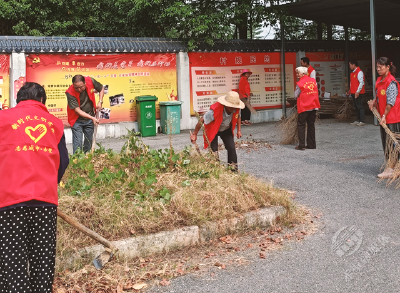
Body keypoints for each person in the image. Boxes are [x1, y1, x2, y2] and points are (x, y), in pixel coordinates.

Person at [0, 82, 69, 292]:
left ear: (18, 99)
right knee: (43, 261)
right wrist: (48, 182)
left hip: (9, 203)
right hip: (45, 202)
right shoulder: (54, 124)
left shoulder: (3, 119)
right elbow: (63, 161)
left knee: (13, 262)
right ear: (42, 101)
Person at [190, 91, 244, 171]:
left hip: (226, 129)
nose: (234, 108)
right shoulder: (214, 111)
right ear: (226, 105)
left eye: (235, 106)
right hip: (213, 130)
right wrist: (194, 133)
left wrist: (239, 130)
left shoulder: (236, 108)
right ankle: (216, 170)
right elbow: (202, 120)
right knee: (214, 150)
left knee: (231, 148)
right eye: (231, 106)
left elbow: (238, 117)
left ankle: (233, 170)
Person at [368, 57, 400, 179]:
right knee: (386, 143)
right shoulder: (379, 80)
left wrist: (384, 115)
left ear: (388, 67)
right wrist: (374, 102)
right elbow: (378, 96)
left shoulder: (391, 82)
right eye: (377, 67)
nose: (378, 69)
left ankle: (391, 169)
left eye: (380, 67)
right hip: (384, 117)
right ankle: (392, 166)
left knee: (392, 144)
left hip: (392, 117)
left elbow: (390, 102)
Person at [66, 74, 104, 153]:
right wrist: (92, 118)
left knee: (88, 143)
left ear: (85, 83)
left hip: (89, 120)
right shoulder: (70, 92)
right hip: (77, 120)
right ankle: (77, 162)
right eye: (76, 88)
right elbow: (77, 110)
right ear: (73, 85)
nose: (79, 89)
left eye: (81, 87)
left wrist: (100, 101)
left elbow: (101, 88)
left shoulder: (90, 81)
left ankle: (87, 160)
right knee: (77, 145)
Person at [294, 67, 321, 150]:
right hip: (314, 105)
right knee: (311, 125)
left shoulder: (300, 83)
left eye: (298, 73)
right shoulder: (313, 81)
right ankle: (312, 144)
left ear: (303, 73)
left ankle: (301, 145)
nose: (297, 74)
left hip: (305, 106)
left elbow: (296, 95)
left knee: (301, 125)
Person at [347, 60, 366, 126]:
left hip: (358, 93)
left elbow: (361, 82)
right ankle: (358, 119)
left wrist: (357, 91)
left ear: (354, 64)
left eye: (350, 65)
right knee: (356, 106)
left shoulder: (359, 72)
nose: (350, 66)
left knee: (359, 106)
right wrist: (350, 91)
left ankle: (362, 120)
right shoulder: (353, 73)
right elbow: (351, 84)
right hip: (353, 92)